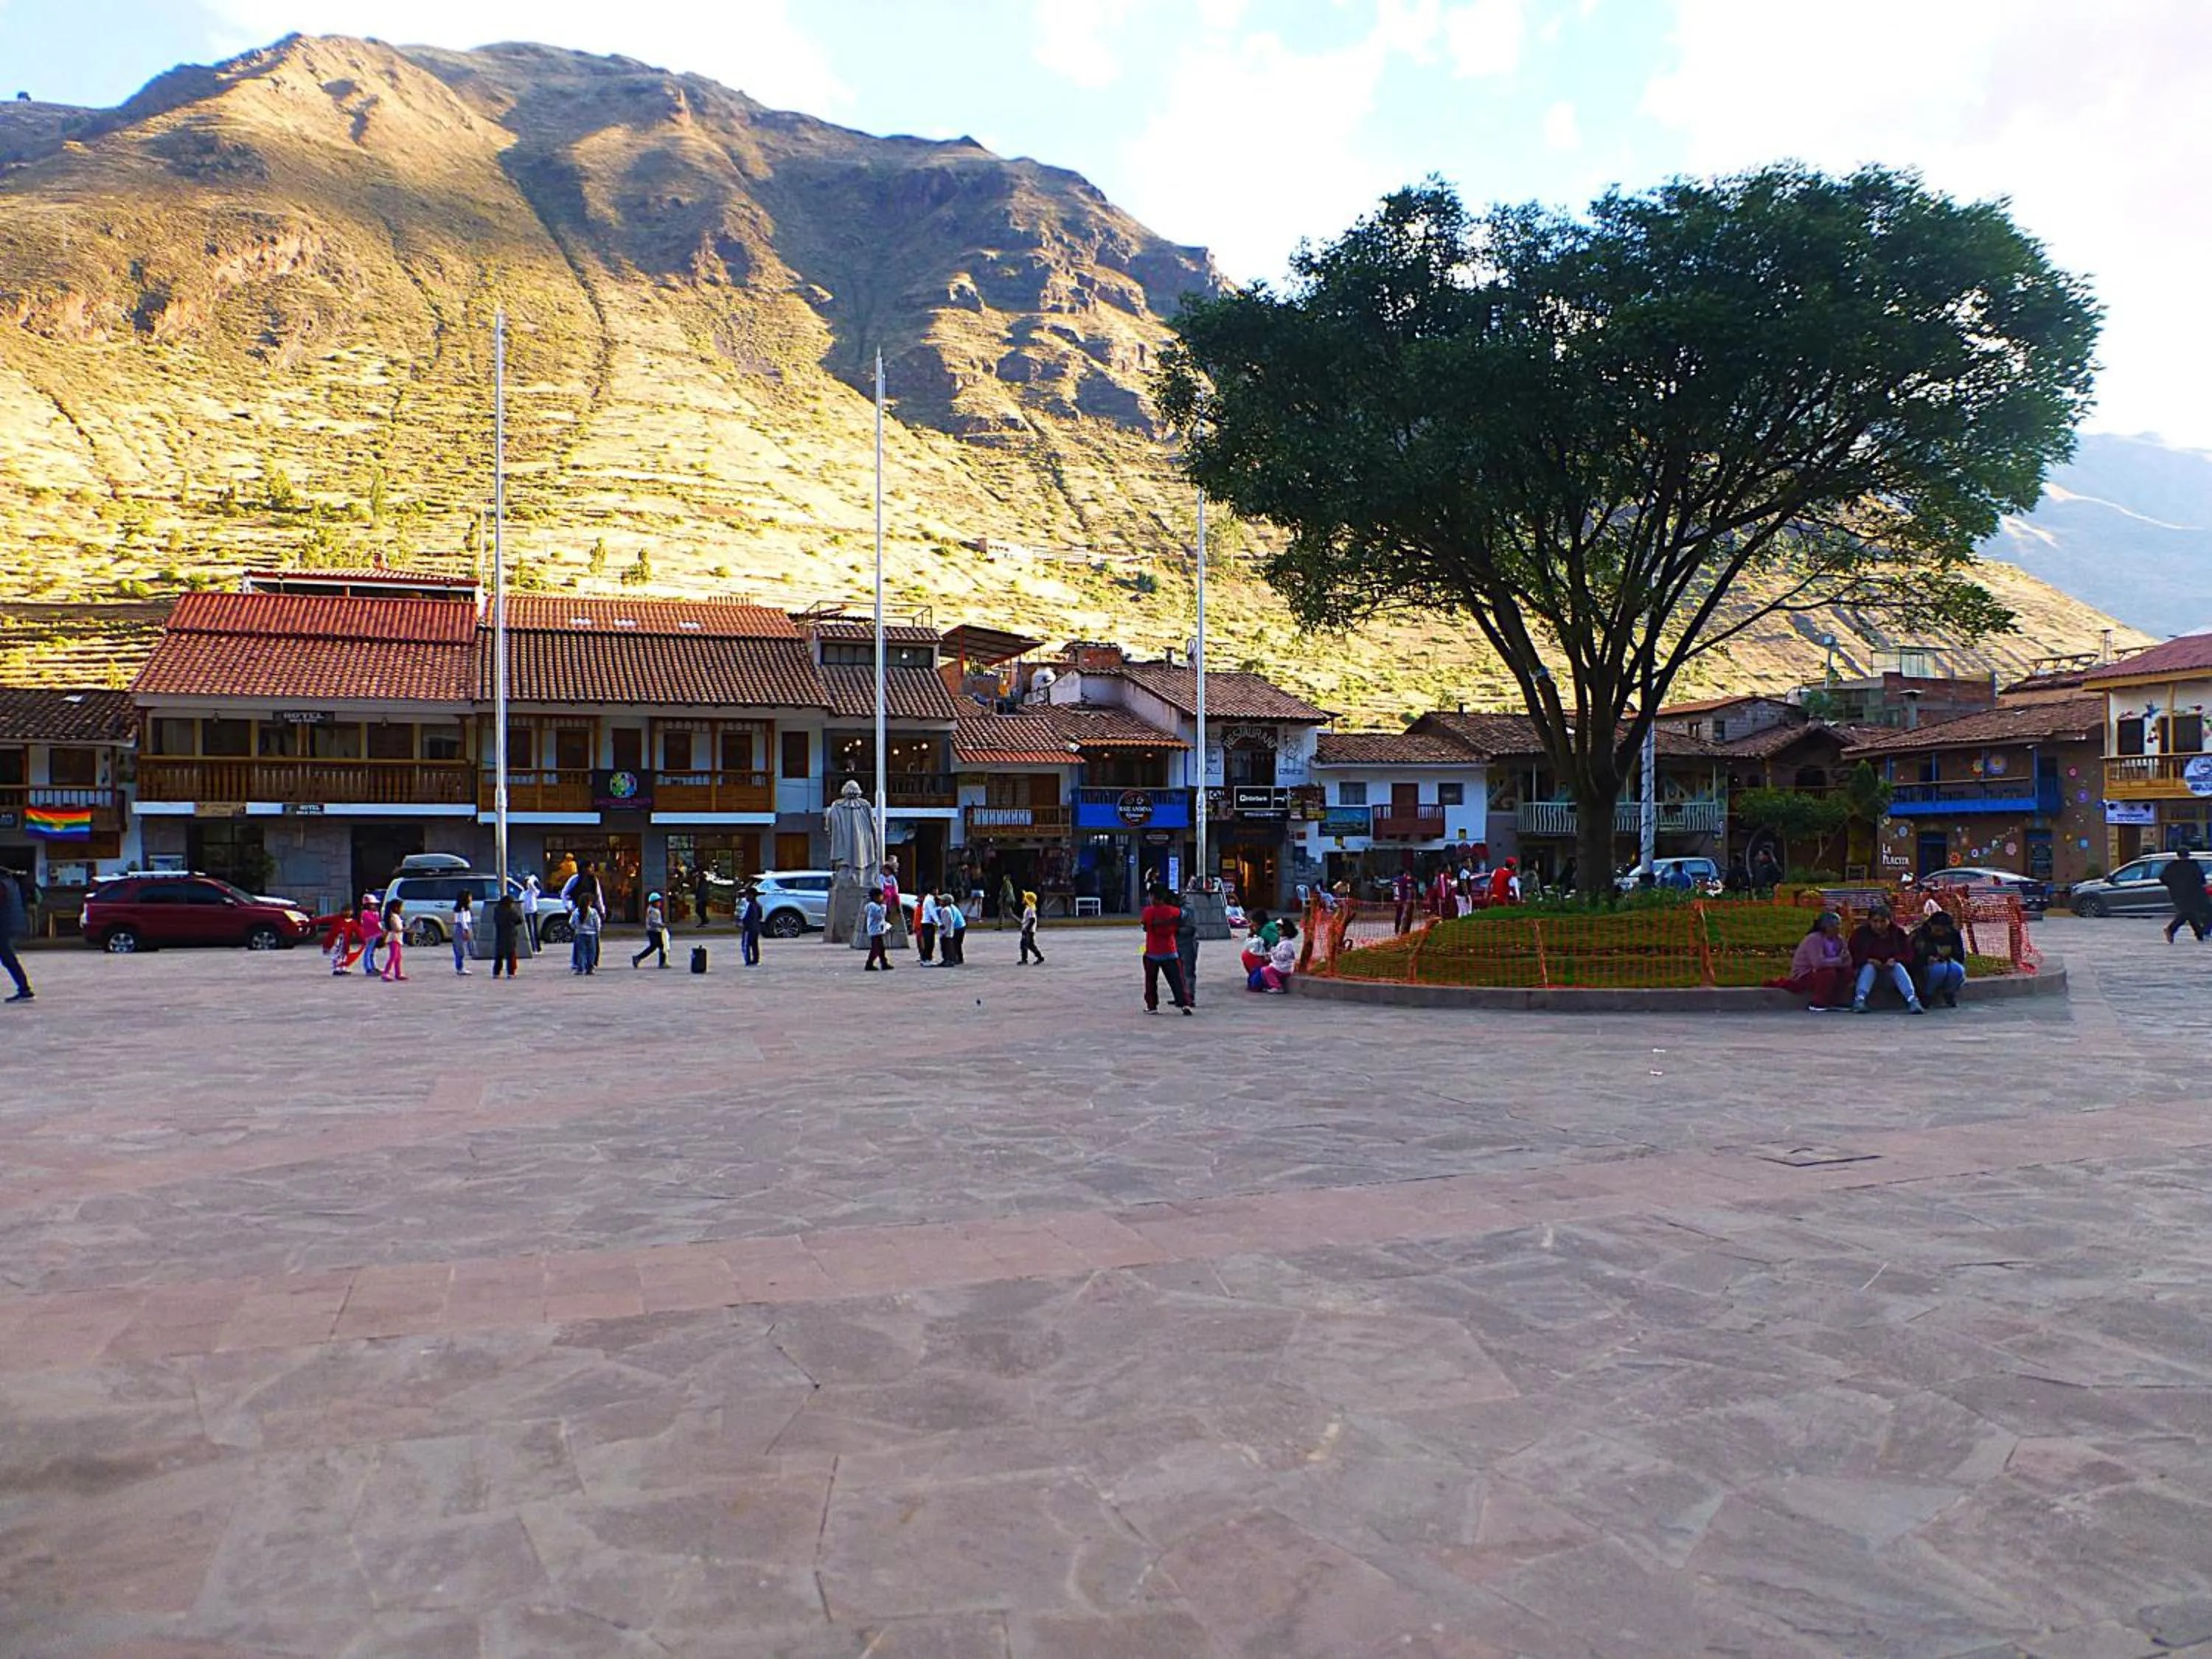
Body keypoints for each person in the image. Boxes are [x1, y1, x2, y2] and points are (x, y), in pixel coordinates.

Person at [1848, 901, 1924, 1013]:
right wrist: (1868, 960)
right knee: (1869, 967)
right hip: (1866, 974)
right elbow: (1853, 956)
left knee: (1897, 966)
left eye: (1883, 922)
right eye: (1875, 921)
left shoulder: (1898, 933)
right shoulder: (1860, 934)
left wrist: (1895, 959)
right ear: (1869, 921)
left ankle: (1912, 1000)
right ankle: (1859, 1000)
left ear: (1889, 921)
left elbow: (1908, 955)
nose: (1878, 925)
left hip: (1890, 975)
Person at [1776, 911, 1851, 1012]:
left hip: (1829, 969)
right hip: (1805, 974)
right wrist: (1838, 961)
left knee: (1847, 972)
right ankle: (1818, 1002)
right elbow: (1818, 963)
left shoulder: (1839, 940)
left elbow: (1848, 959)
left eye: (1839, 925)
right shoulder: (1814, 939)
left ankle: (1835, 1000)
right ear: (1825, 927)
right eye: (1834, 925)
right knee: (1828, 973)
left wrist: (1841, 962)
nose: (1838, 928)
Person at [1139, 884, 1192, 1015]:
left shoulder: (1148, 912)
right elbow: (1184, 915)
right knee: (1177, 981)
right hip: (1170, 951)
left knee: (1151, 981)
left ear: (1153, 897)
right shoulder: (1173, 911)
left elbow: (1145, 926)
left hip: (1152, 952)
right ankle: (1184, 1003)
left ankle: (1152, 1006)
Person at [1913, 905, 1968, 1007]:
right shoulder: (1920, 934)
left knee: (1958, 970)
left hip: (1947, 962)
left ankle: (1949, 993)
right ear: (1930, 925)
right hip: (1925, 966)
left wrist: (1950, 958)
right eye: (1937, 930)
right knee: (1939, 969)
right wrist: (1927, 959)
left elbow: (1959, 954)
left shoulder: (1953, 934)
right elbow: (1914, 955)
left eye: (1944, 930)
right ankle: (1927, 995)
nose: (1941, 933)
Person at [2160, 846, 2210, 943]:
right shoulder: (2193, 866)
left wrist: (2173, 886)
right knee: (2187, 913)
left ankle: (2200, 934)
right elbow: (2201, 879)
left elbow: (2163, 878)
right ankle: (2171, 929)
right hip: (2193, 894)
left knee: (2190, 913)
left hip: (2177, 894)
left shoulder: (2171, 866)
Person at [0, 866, 33, 1004]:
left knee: (8, 958)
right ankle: (24, 989)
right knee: (8, 958)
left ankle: (25, 989)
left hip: (2, 925)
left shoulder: (2, 885)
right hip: (7, 925)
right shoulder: (11, 883)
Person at [1260, 919, 1301, 992]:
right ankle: (1271, 985)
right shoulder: (1282, 942)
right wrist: (1270, 955)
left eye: (1279, 930)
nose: (1278, 932)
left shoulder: (1287, 944)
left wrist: (1273, 951)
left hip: (1284, 967)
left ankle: (1277, 987)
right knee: (1264, 969)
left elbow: (1283, 956)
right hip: (1281, 965)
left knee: (1267, 970)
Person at [633, 891, 669, 968]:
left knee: (662, 946)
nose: (660, 903)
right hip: (652, 931)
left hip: (658, 930)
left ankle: (662, 963)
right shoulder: (651, 910)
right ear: (653, 903)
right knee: (654, 946)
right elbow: (652, 922)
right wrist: (661, 925)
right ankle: (638, 957)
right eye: (658, 902)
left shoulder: (656, 910)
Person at [490, 891, 521, 980]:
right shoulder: (511, 911)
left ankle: (496, 972)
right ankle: (511, 972)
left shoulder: (497, 910)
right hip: (510, 935)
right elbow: (519, 920)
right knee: (511, 955)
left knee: (499, 955)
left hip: (500, 934)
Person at [380, 898, 408, 982]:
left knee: (398, 957)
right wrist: (408, 928)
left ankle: (398, 973)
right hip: (394, 938)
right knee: (393, 956)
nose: (402, 909)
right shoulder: (394, 917)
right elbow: (398, 928)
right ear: (396, 908)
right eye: (401, 907)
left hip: (397, 938)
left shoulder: (395, 916)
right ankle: (386, 972)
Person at [862, 889, 892, 970]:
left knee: (881, 948)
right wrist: (884, 905)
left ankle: (884, 963)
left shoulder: (874, 905)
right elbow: (880, 915)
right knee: (876, 949)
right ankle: (869, 964)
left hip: (878, 930)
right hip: (875, 931)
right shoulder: (873, 906)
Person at [573, 894, 602, 975]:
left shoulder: (576, 912)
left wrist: (576, 928)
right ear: (589, 902)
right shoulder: (593, 912)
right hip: (592, 934)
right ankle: (590, 968)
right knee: (591, 952)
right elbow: (597, 923)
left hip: (580, 934)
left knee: (581, 952)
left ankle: (580, 968)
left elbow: (572, 923)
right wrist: (597, 931)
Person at [358, 891, 384, 981]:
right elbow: (373, 923)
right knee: (368, 951)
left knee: (372, 952)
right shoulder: (365, 913)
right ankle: (368, 968)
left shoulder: (374, 913)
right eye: (373, 904)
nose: (375, 906)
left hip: (375, 934)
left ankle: (373, 966)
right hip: (370, 935)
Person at [451, 891, 475, 976]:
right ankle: (460, 968)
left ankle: (460, 967)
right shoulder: (463, 908)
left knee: (460, 948)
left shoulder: (461, 908)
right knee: (460, 949)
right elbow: (463, 920)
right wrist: (466, 930)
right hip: (462, 927)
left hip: (460, 926)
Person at [939, 892, 967, 965]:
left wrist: (946, 932)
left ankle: (955, 959)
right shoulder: (950, 907)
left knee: (955, 943)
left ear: (946, 902)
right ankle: (958, 959)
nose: (940, 902)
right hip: (960, 926)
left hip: (958, 927)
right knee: (957, 944)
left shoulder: (950, 909)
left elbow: (952, 921)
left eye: (942, 901)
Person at [740, 886, 763, 967]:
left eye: (747, 895)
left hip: (749, 928)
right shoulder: (758, 905)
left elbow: (746, 918)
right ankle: (756, 959)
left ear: (752, 896)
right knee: (754, 945)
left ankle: (748, 961)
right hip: (756, 927)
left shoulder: (749, 906)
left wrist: (743, 924)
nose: (746, 897)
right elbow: (760, 916)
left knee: (746, 945)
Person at [1019, 889, 1045, 964]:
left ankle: (1039, 957)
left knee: (1030, 945)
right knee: (1024, 944)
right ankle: (1024, 959)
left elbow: (1032, 920)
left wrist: (1027, 928)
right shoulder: (1029, 909)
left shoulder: (1030, 909)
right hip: (1027, 930)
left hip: (1029, 931)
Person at [917, 889, 941, 964]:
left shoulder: (929, 899)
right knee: (929, 943)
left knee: (929, 942)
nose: (937, 891)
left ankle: (926, 959)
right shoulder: (930, 900)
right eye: (936, 890)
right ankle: (927, 959)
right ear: (933, 890)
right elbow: (933, 913)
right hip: (928, 924)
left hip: (927, 923)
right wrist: (939, 923)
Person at [521, 874, 543, 950]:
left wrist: (530, 879)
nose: (526, 884)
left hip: (532, 912)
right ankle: (532, 947)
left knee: (534, 931)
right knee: (529, 931)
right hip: (526, 913)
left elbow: (531, 883)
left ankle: (537, 947)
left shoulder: (532, 891)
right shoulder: (523, 893)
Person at [693, 866, 713, 931]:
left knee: (700, 910)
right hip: (702, 898)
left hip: (702, 898)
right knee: (701, 910)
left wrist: (700, 898)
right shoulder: (701, 882)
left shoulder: (703, 882)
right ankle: (704, 920)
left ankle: (704, 920)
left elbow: (702, 891)